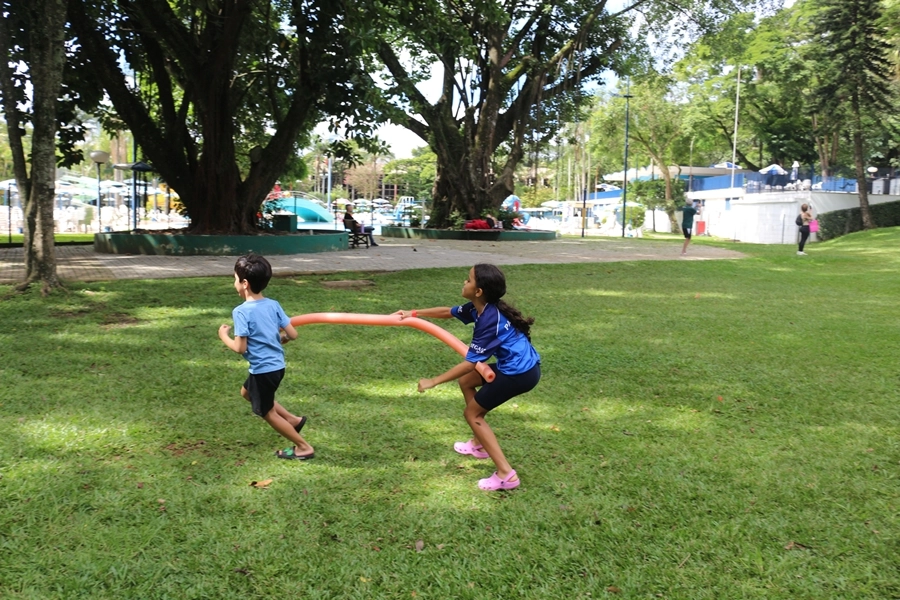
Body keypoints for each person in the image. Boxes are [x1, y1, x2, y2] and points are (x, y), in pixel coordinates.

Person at [395, 263, 541, 491]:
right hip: (519, 366)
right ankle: (479, 445)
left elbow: (469, 363)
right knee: (468, 382)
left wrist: (433, 381)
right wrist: (413, 313)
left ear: (479, 291)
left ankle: (506, 474)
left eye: (468, 279)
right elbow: (448, 312)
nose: (464, 282)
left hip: (519, 374)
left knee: (472, 414)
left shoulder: (489, 322)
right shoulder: (479, 308)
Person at [218, 254, 314, 460]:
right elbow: (293, 334)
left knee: (266, 411)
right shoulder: (273, 304)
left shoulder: (241, 312)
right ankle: (293, 420)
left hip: (263, 370)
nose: (234, 283)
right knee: (246, 393)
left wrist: (223, 336)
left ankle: (303, 447)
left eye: (235, 279)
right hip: (277, 367)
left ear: (244, 283)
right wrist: (280, 339)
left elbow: (240, 348)